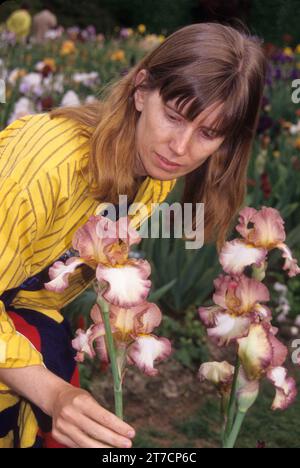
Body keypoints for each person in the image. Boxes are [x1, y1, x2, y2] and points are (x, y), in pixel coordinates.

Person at [0, 22, 267, 448]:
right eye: (175, 116)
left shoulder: (153, 172)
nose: (180, 148)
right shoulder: (47, 164)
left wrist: (109, 318)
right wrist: (51, 392)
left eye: (208, 133)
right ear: (141, 90)